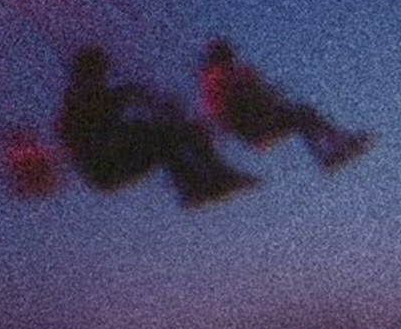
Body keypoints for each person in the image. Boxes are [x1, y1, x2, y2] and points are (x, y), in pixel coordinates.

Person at [57, 45, 258, 208]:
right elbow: (96, 129)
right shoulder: (83, 98)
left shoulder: (94, 96)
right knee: (167, 136)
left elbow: (128, 103)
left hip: (107, 165)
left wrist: (155, 107)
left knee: (167, 140)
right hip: (106, 166)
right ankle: (206, 181)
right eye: (101, 69)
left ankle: (200, 184)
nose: (105, 74)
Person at [199, 38, 372, 171]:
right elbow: (221, 113)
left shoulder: (236, 73)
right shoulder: (217, 79)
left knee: (302, 115)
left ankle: (330, 150)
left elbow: (265, 93)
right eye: (229, 56)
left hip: (263, 121)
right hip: (254, 128)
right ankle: (331, 150)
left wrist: (267, 91)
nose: (232, 60)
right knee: (301, 115)